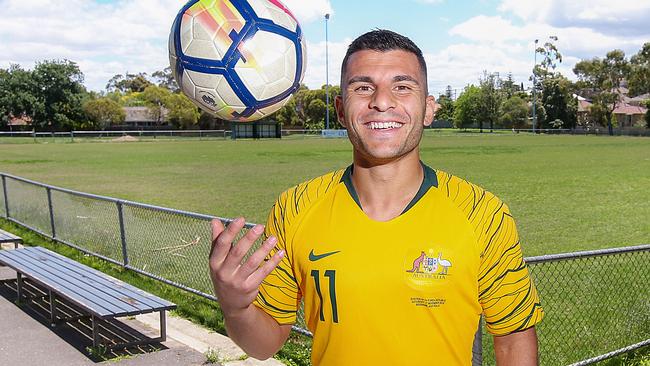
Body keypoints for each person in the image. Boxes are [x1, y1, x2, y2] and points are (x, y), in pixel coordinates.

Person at [209, 29, 544, 365]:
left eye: (402, 86)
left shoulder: (483, 214)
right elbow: (263, 345)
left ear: (428, 109)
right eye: (363, 87)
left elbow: (514, 340)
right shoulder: (295, 208)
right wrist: (236, 307)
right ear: (341, 109)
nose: (382, 102)